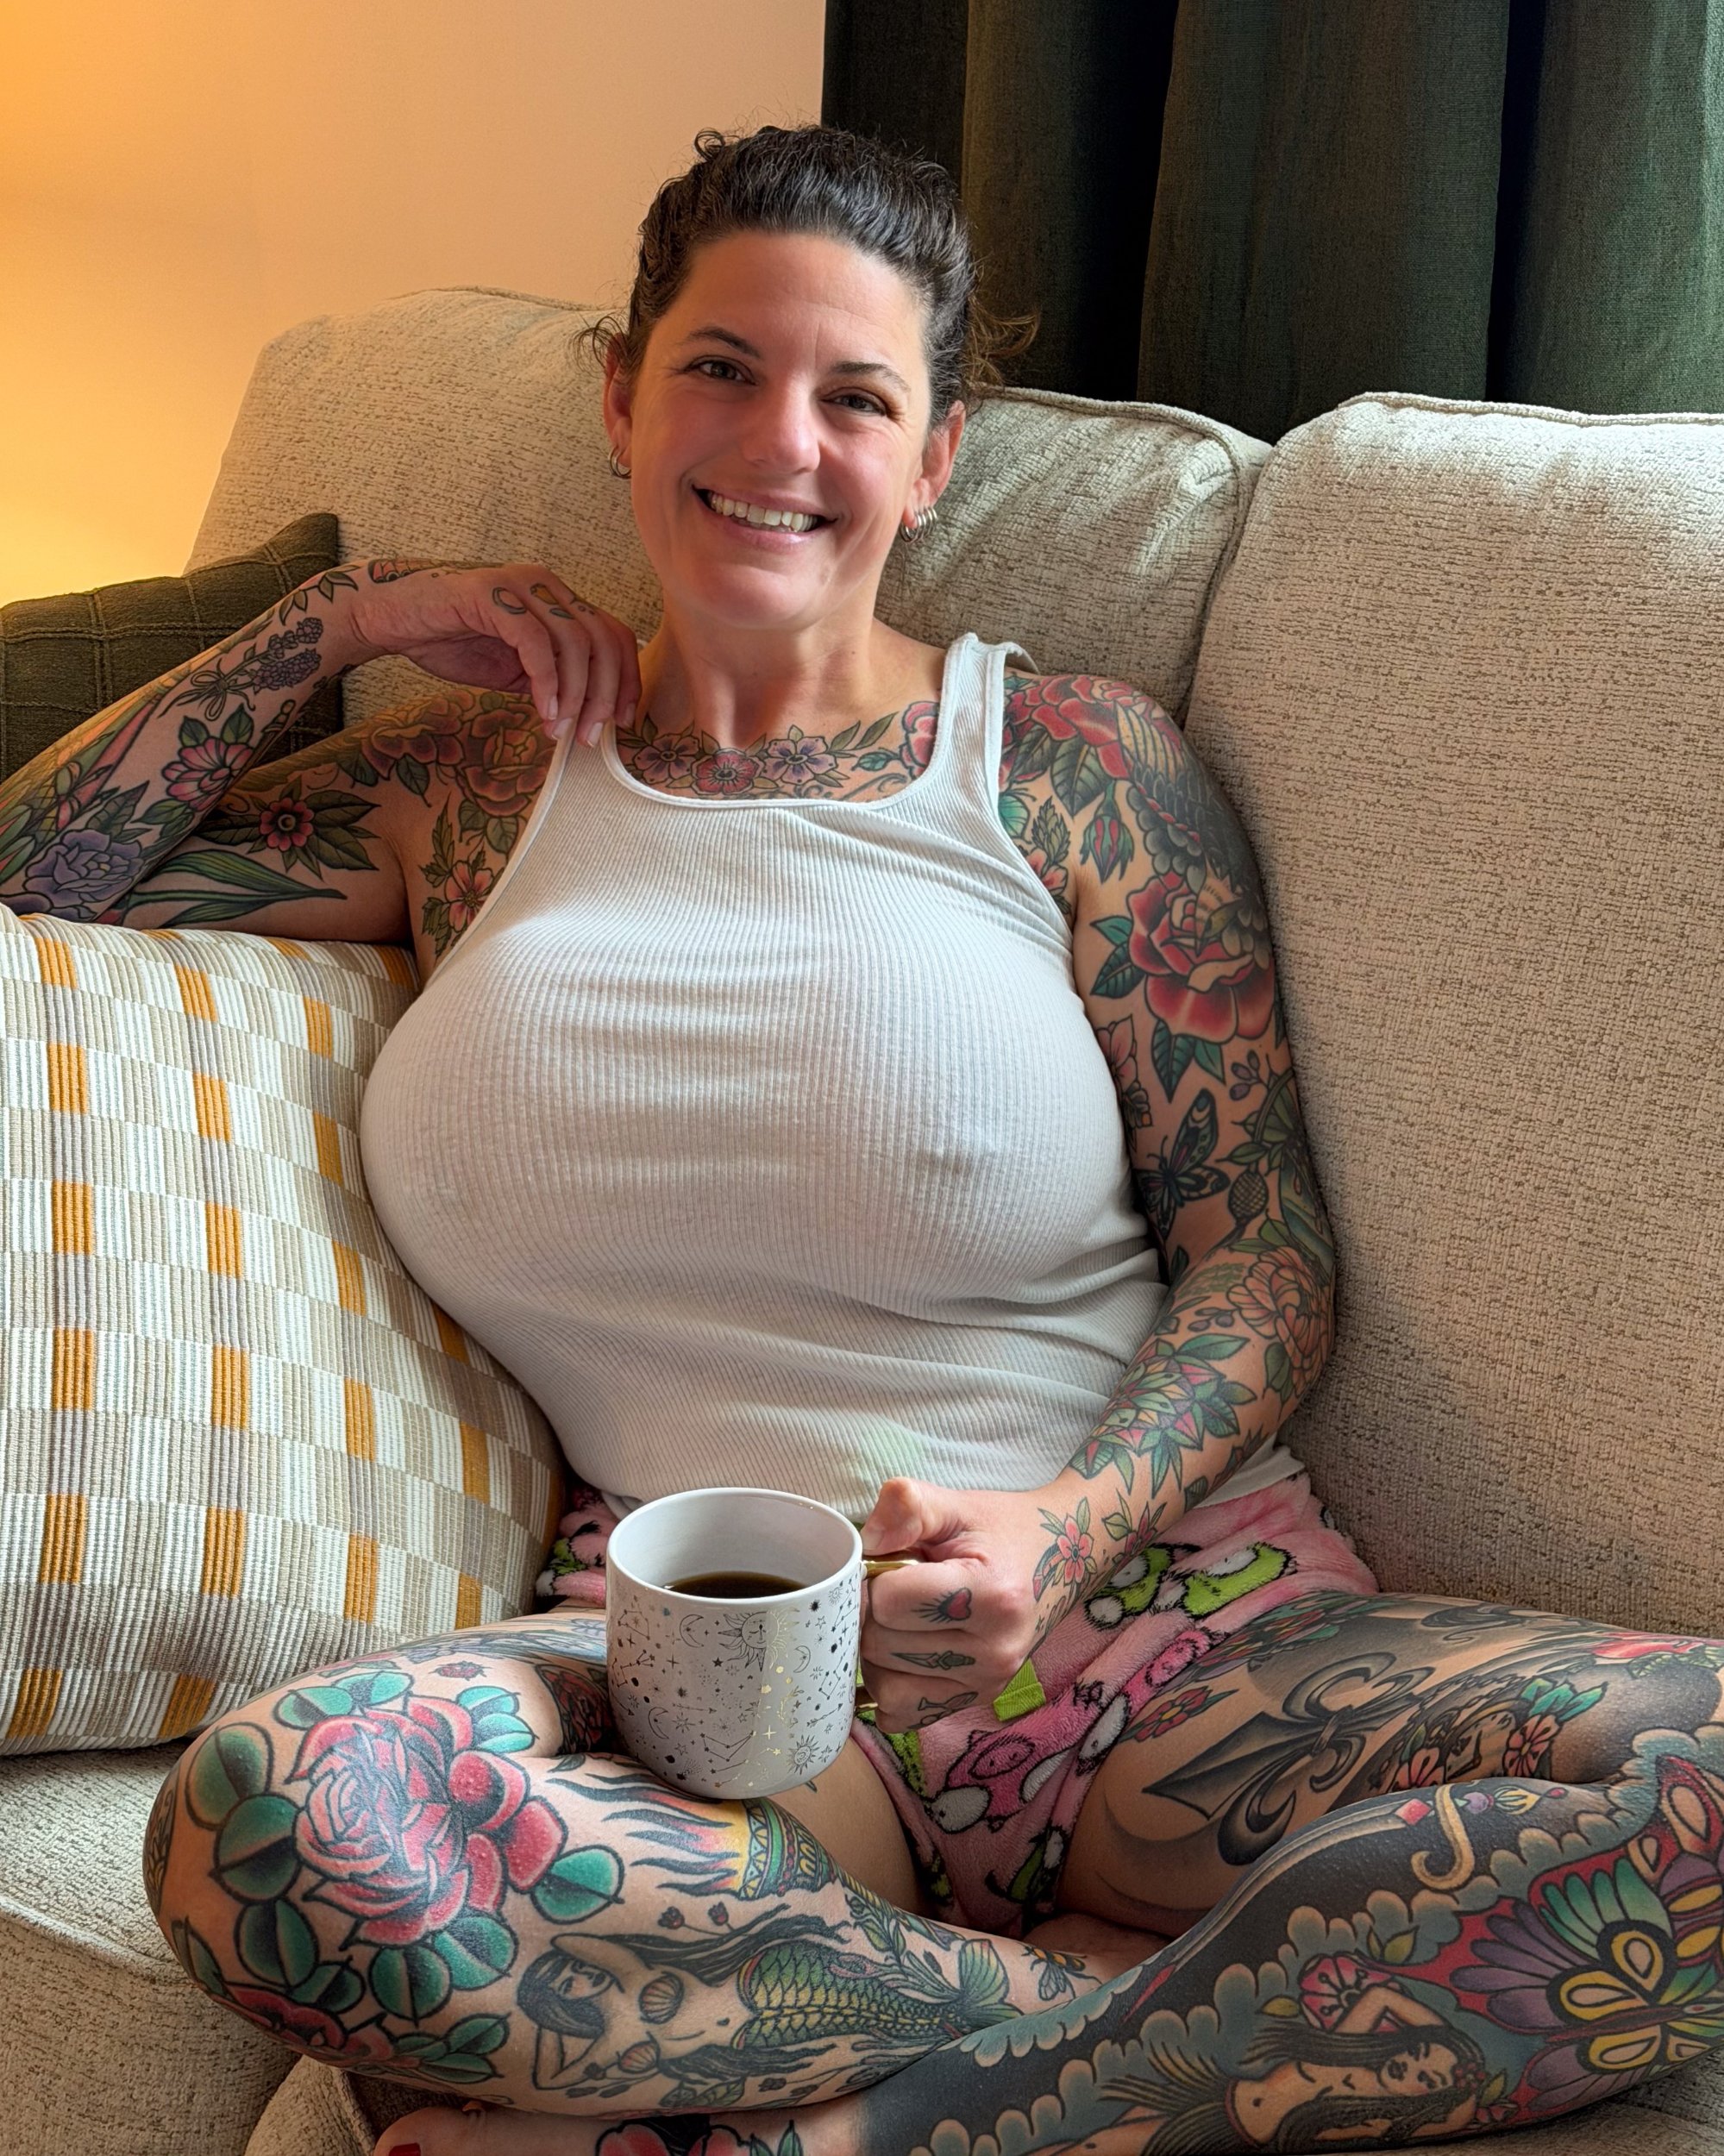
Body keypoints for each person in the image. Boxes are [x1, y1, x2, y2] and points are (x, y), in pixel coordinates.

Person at [9, 124, 1722, 2156]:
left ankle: (845, 2123)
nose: (781, 440)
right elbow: (39, 892)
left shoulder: (1071, 771)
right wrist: (340, 624)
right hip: (717, 1692)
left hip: (1173, 1636)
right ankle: (1083, 2022)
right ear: (623, 397)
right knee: (273, 1821)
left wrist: (1059, 1525)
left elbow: (1263, 1255)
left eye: (856, 396)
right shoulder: (462, 794)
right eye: (721, 368)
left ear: (934, 458)